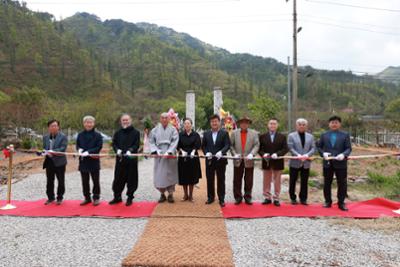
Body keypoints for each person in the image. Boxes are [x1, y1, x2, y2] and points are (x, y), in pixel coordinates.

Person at [317, 115, 352, 211]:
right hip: (328, 162)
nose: (334, 124)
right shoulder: (324, 135)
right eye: (332, 122)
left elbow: (349, 148)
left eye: (336, 122)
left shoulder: (345, 135)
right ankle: (328, 201)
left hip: (341, 162)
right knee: (327, 183)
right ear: (329, 124)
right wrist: (323, 153)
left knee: (342, 183)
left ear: (339, 124)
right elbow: (319, 147)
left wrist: (344, 155)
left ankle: (341, 203)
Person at [109, 114, 140, 206]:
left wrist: (130, 150)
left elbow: (136, 144)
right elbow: (114, 143)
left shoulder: (136, 132)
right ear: (121, 121)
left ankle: (130, 197)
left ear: (130, 120)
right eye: (123, 120)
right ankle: (117, 197)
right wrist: (117, 150)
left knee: (131, 179)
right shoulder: (118, 133)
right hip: (120, 160)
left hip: (131, 160)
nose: (125, 121)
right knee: (118, 178)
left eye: (127, 120)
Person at [149, 113, 179, 203]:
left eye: (166, 118)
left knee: (170, 174)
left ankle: (170, 194)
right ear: (160, 119)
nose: (164, 119)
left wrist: (169, 151)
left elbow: (175, 141)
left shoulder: (173, 129)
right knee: (159, 175)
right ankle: (162, 194)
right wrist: (156, 150)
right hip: (159, 154)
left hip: (170, 155)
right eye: (163, 118)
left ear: (169, 119)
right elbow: (151, 141)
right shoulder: (154, 130)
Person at [230, 116, 259, 205]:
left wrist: (252, 154)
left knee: (249, 179)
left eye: (246, 123)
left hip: (249, 160)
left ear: (248, 124)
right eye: (242, 123)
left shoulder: (254, 133)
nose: (244, 124)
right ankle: (238, 197)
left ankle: (248, 197)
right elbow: (231, 145)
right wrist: (234, 154)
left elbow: (256, 145)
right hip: (238, 160)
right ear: (239, 124)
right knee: (237, 179)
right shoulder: (234, 133)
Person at [202, 114, 231, 207]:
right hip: (210, 160)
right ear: (210, 123)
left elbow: (227, 145)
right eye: (212, 121)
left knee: (221, 179)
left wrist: (221, 152)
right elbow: (204, 146)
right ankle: (210, 197)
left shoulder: (224, 133)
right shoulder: (206, 134)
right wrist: (206, 153)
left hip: (220, 160)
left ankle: (221, 198)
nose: (214, 123)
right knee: (210, 179)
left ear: (219, 122)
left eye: (216, 121)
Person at [259, 118, 288, 206]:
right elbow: (259, 149)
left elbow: (285, 148)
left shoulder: (282, 137)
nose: (272, 125)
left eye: (274, 124)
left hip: (277, 161)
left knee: (277, 180)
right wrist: (263, 154)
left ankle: (276, 198)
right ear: (268, 125)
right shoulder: (262, 136)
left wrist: (278, 154)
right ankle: (267, 197)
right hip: (266, 161)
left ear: (277, 125)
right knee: (266, 180)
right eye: (271, 123)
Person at [287, 118, 316, 205]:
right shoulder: (291, 136)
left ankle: (303, 198)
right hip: (295, 162)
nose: (301, 126)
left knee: (304, 181)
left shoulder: (310, 136)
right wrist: (297, 155)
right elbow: (290, 148)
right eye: (299, 124)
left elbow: (313, 148)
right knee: (293, 180)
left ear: (306, 126)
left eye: (303, 125)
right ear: (296, 126)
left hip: (306, 162)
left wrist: (307, 155)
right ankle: (293, 198)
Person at [76, 115, 103, 206]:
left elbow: (98, 147)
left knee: (95, 180)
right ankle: (87, 198)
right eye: (87, 122)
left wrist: (88, 152)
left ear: (93, 124)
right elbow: (78, 145)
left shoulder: (98, 135)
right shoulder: (80, 135)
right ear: (84, 124)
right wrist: (79, 149)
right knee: (84, 181)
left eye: (90, 122)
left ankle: (96, 197)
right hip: (83, 161)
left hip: (93, 161)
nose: (89, 124)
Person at [42, 119, 68, 205]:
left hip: (59, 162)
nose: (54, 127)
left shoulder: (63, 136)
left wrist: (52, 151)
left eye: (56, 126)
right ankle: (50, 198)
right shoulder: (45, 137)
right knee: (49, 181)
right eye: (52, 126)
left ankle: (59, 197)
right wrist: (43, 152)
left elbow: (62, 148)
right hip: (49, 161)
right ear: (48, 127)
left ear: (58, 127)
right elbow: (44, 148)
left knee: (60, 181)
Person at [177, 118, 202, 202]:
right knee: (183, 176)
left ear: (191, 125)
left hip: (193, 157)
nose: (187, 125)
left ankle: (191, 195)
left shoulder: (196, 135)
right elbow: (177, 145)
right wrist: (181, 151)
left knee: (192, 176)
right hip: (183, 157)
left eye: (188, 123)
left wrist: (194, 151)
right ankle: (185, 195)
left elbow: (198, 144)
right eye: (185, 123)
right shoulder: (180, 135)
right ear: (183, 125)